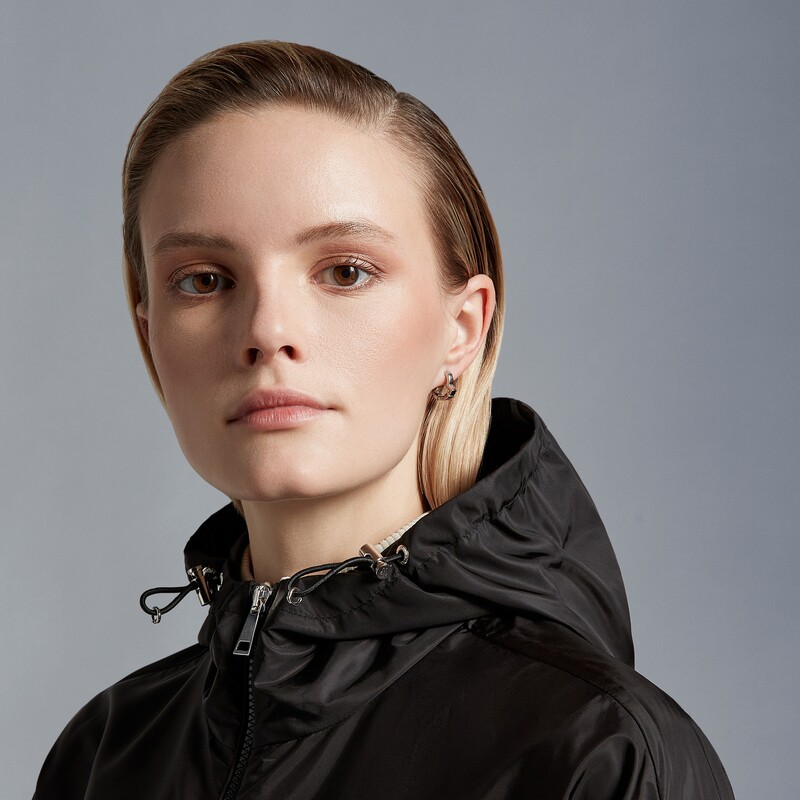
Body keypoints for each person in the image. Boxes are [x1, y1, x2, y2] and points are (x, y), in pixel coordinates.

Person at [33, 41, 735, 799]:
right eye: (204, 280)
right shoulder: (101, 758)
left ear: (461, 330)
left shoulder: (598, 752)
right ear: (150, 336)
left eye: (345, 271)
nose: (267, 331)